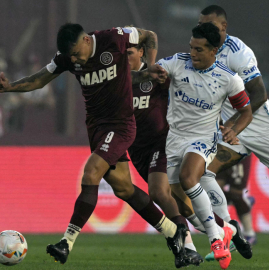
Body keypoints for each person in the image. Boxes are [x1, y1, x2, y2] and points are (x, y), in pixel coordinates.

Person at [0, 23, 191, 268]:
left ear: (86, 40)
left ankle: (66, 242)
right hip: (96, 128)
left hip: (120, 125)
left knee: (91, 173)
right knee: (124, 189)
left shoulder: (115, 38)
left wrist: (150, 66)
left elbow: (150, 35)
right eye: (71, 56)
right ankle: (175, 231)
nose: (75, 59)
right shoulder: (67, 58)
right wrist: (11, 86)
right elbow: (41, 78)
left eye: (77, 52)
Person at [170, 5, 266, 261]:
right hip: (229, 131)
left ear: (224, 27)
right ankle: (227, 231)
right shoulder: (200, 51)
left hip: (257, 124)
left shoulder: (238, 52)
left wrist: (234, 125)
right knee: (201, 174)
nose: (204, 28)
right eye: (201, 23)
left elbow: (258, 94)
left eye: (210, 25)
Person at [156, 22, 253, 269]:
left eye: (199, 49)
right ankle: (229, 230)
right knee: (186, 205)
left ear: (213, 51)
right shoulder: (178, 62)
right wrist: (148, 73)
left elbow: (246, 111)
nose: (193, 53)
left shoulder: (229, 79)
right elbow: (154, 71)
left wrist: (234, 130)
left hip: (203, 139)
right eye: (191, 47)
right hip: (175, 138)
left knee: (190, 177)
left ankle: (215, 240)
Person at [126, 44, 203, 265]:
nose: (125, 58)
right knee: (178, 202)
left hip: (161, 142)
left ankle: (187, 246)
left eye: (130, 53)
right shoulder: (121, 82)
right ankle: (222, 230)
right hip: (137, 149)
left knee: (158, 192)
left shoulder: (158, 75)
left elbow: (183, 90)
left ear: (141, 52)